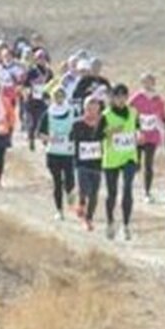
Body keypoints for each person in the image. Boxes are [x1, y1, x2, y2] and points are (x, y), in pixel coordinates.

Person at [102, 83, 140, 240]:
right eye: (118, 96)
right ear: (112, 98)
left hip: (129, 156)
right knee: (112, 193)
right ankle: (110, 222)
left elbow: (137, 128)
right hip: (111, 158)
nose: (121, 100)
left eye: (124, 96)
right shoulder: (106, 115)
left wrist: (140, 136)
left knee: (128, 189)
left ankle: (126, 225)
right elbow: (97, 134)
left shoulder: (133, 112)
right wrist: (111, 132)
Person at [38, 87, 76, 219]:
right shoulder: (48, 113)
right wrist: (48, 139)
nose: (59, 98)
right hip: (53, 152)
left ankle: (70, 191)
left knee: (70, 179)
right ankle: (59, 211)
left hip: (68, 152)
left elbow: (77, 129)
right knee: (57, 182)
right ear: (53, 98)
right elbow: (40, 133)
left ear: (64, 97)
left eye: (61, 96)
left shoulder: (72, 111)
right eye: (56, 96)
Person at [130, 72, 165, 204]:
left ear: (154, 83)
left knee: (149, 164)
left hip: (152, 135)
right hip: (138, 134)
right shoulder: (137, 97)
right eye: (146, 81)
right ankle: (130, 184)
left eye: (151, 81)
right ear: (142, 83)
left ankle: (147, 192)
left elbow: (163, 116)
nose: (148, 84)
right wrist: (134, 128)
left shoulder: (158, 99)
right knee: (136, 163)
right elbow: (129, 112)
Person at [71, 96, 107, 231]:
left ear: (99, 109)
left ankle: (89, 219)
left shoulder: (103, 123)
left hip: (97, 163)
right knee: (84, 189)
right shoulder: (77, 123)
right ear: (84, 109)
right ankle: (81, 202)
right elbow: (70, 140)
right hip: (82, 163)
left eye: (95, 108)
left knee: (94, 193)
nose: (92, 111)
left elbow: (107, 137)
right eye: (89, 108)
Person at [24, 49, 53, 151]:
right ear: (36, 60)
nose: (42, 60)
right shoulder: (32, 71)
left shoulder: (49, 72)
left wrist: (49, 96)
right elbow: (25, 84)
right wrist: (28, 91)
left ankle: (44, 139)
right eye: (39, 58)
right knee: (32, 121)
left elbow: (52, 85)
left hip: (43, 99)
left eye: (43, 58)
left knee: (43, 119)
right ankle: (31, 139)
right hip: (32, 99)